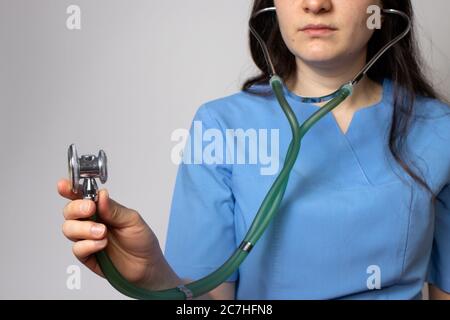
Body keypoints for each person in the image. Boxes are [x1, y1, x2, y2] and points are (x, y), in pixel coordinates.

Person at [57, 0, 450, 300]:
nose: (315, 4)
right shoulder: (222, 126)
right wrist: (153, 275)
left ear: (385, 6)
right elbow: (206, 298)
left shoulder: (439, 130)